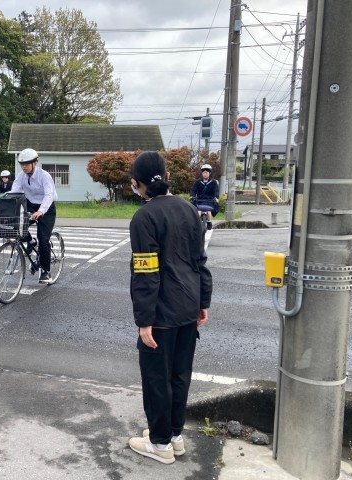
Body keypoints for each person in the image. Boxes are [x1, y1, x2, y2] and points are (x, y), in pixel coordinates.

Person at [127, 151, 212, 465]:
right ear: (166, 176)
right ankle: (174, 435)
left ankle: (160, 443)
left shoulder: (144, 218)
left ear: (136, 183)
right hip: (188, 307)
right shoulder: (189, 210)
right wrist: (203, 302)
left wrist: (144, 320)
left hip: (161, 313)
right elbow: (200, 262)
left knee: (156, 379)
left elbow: (146, 273)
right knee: (179, 375)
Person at [10, 148, 58, 284]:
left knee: (43, 240)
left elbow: (49, 195)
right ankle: (31, 241)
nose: (24, 167)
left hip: (46, 208)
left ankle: (46, 271)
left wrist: (41, 211)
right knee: (17, 225)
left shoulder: (44, 176)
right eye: (22, 164)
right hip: (30, 205)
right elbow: (14, 192)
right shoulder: (21, 176)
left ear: (34, 163)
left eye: (27, 164)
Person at [189, 164, 220, 230]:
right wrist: (192, 196)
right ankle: (197, 223)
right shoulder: (198, 182)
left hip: (209, 200)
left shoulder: (213, 182)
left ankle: (209, 222)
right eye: (203, 173)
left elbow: (216, 191)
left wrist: (216, 197)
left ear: (209, 173)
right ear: (202, 173)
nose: (205, 174)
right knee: (198, 212)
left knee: (209, 211)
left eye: (206, 172)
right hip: (199, 200)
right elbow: (193, 190)